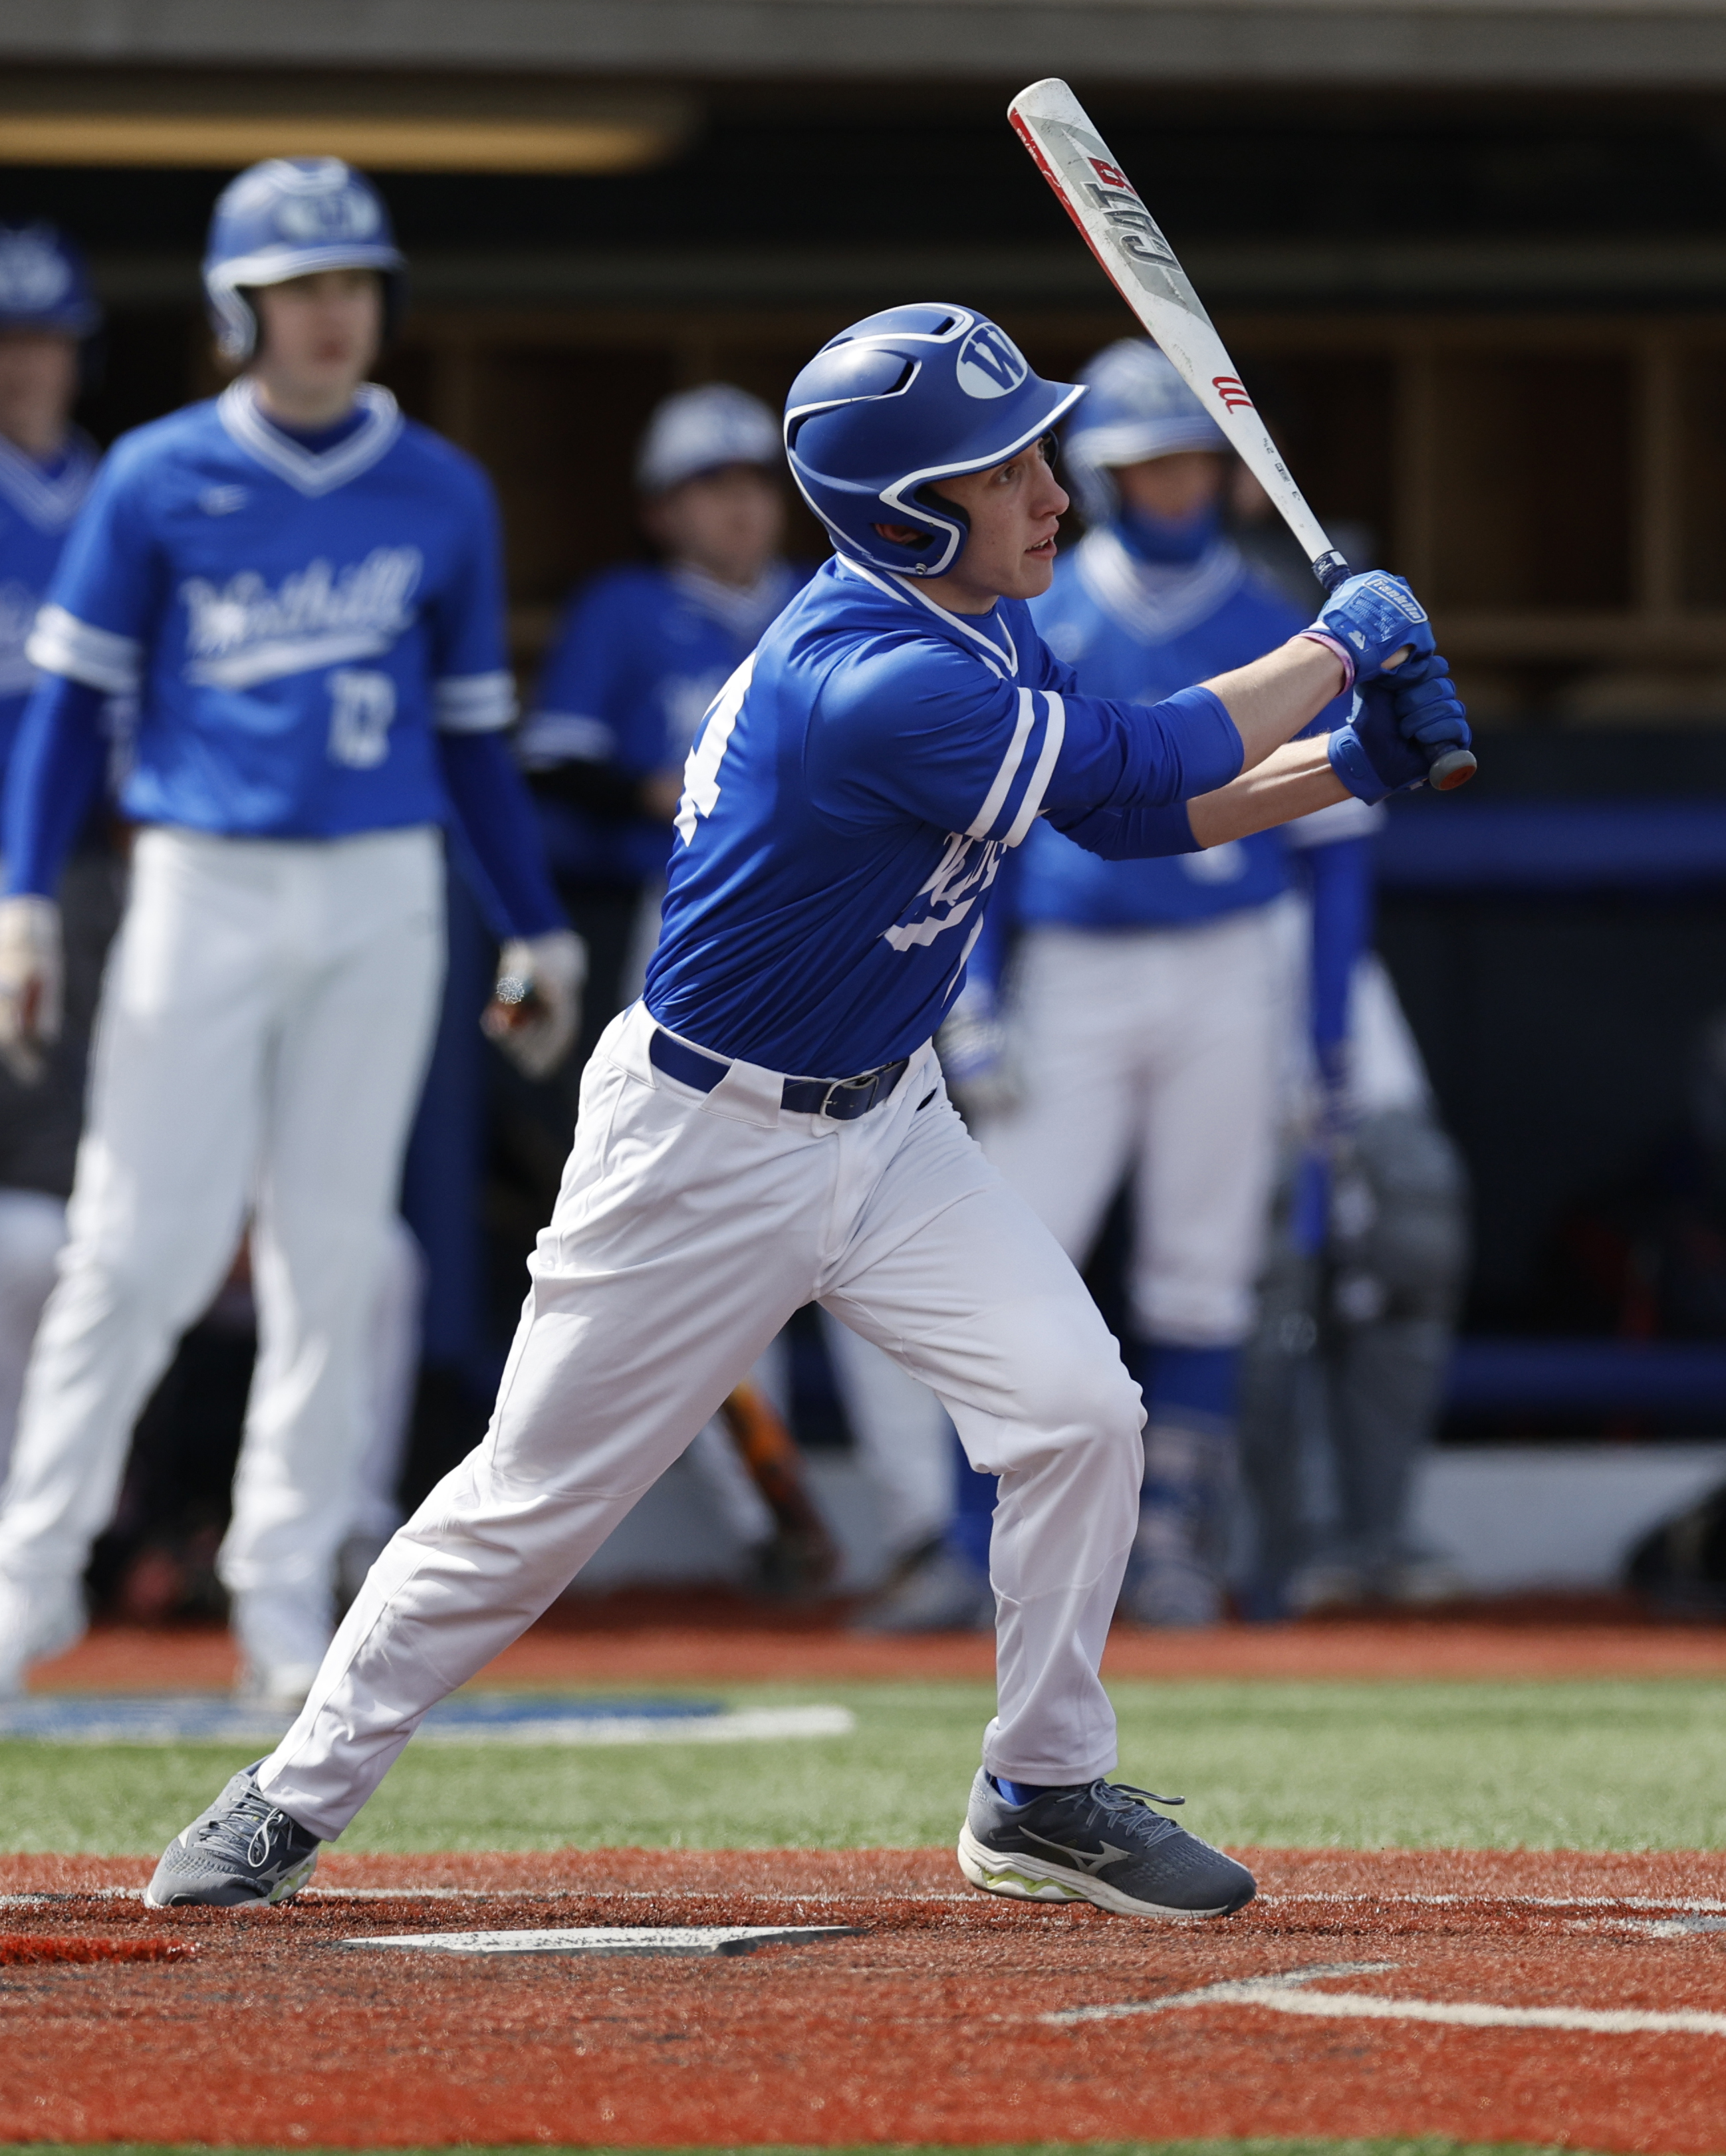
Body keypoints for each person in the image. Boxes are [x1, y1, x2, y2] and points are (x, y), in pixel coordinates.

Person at [144, 302, 1468, 1917]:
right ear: (911, 509)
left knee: (1075, 1413)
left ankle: (1039, 1783)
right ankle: (292, 1790)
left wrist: (1348, 766)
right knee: (527, 1508)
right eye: (1006, 469)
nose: (1050, 492)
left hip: (888, 1119)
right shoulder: (866, 678)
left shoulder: (981, 623)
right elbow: (1142, 754)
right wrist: (1339, 651)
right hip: (699, 1146)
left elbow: (1119, 816)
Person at [0, 157, 583, 1708]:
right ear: (232, 309)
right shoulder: (158, 474)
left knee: (338, 1252)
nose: (329, 316)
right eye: (295, 289)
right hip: (201, 870)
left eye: (350, 284)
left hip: (383, 881)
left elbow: (471, 740)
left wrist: (537, 922)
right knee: (137, 1244)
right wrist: (21, 898)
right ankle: (28, 1582)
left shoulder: (440, 487)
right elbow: (66, 706)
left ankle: (281, 1595)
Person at [941, 340, 1368, 1625]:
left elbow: (1333, 864)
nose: (1174, 487)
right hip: (1073, 963)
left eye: (1192, 460)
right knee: (1007, 1258)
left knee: (1200, 1269)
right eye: (1148, 465)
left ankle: (1173, 1534)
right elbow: (987, 840)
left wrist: (1327, 1039)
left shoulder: (1275, 624)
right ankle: (982, 1548)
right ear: (1111, 478)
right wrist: (975, 999)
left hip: (1230, 963)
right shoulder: (1044, 610)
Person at [525, 384, 953, 1590]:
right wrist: (654, 790)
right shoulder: (627, 612)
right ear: (663, 509)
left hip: (851, 945)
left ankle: (919, 1524)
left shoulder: (834, 605)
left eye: (752, 481)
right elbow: (549, 760)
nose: (738, 506)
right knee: (685, 1246)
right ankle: (775, 1514)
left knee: (879, 1234)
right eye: (709, 486)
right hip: (687, 940)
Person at [0, 225, 118, 1488]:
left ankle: (42, 1522)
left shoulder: (115, 492)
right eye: (6, 341)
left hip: (92, 880)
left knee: (50, 1217)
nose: (24, 366)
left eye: (42, 340)